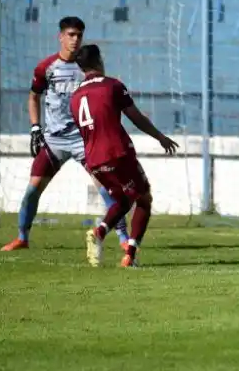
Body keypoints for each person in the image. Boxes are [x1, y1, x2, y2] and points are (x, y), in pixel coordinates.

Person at [2, 17, 129, 252]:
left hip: (84, 140)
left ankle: (124, 238)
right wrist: (35, 127)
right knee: (33, 189)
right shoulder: (46, 67)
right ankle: (22, 238)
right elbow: (33, 96)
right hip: (54, 141)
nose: (75, 40)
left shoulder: (87, 68)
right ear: (60, 37)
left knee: (106, 187)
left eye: (79, 35)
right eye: (71, 35)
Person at [70, 44, 179, 267]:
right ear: (99, 60)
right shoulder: (112, 86)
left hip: (94, 160)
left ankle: (99, 232)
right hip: (117, 154)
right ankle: (130, 254)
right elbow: (135, 117)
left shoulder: (75, 97)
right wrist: (160, 137)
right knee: (144, 199)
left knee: (123, 200)